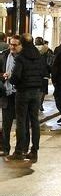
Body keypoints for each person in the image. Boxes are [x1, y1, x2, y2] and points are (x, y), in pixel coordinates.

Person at [9, 33, 46, 162]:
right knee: (34, 122)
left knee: (21, 121)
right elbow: (43, 72)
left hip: (23, 92)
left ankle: (19, 150)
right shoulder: (38, 56)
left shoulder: (21, 57)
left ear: (22, 43)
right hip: (36, 92)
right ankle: (34, 150)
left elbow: (16, 77)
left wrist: (11, 79)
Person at [0, 35, 29, 158]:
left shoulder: (26, 58)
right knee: (6, 124)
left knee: (22, 124)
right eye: (11, 44)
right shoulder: (4, 55)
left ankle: (21, 149)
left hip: (20, 95)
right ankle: (5, 148)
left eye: (15, 45)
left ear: (21, 46)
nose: (12, 47)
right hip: (7, 94)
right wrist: (3, 76)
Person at [34, 36, 50, 112]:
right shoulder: (47, 50)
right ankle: (40, 104)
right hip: (44, 72)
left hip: (35, 72)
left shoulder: (32, 50)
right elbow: (50, 62)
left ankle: (36, 104)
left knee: (35, 89)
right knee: (43, 90)